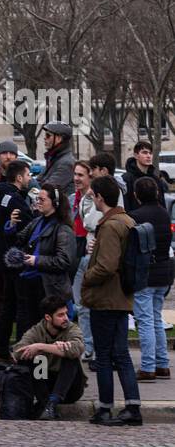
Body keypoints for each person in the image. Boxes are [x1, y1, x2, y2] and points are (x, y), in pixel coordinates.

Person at [80, 174, 142, 426]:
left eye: (93, 195)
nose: (91, 199)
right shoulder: (126, 220)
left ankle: (105, 408)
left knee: (104, 356)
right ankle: (132, 407)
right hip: (121, 297)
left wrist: (86, 277)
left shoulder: (110, 225)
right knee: (121, 354)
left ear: (100, 197)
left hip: (106, 298)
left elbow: (106, 266)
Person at [7, 182, 77, 341]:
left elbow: (64, 261)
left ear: (55, 203)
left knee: (46, 333)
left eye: (42, 199)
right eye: (37, 199)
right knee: (27, 328)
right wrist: (11, 226)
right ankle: (25, 361)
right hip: (30, 282)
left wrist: (36, 260)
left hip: (49, 288)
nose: (37, 202)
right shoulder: (37, 221)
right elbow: (18, 241)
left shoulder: (63, 229)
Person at [13, 289, 87, 421]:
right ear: (48, 317)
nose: (65, 318)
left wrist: (40, 346)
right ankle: (46, 403)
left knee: (71, 358)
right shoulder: (37, 330)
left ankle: (50, 404)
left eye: (66, 313)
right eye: (60, 315)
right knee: (34, 358)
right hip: (46, 386)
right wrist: (42, 349)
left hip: (70, 389)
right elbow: (17, 351)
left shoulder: (71, 328)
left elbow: (77, 348)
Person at [129, 174, 174, 381]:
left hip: (145, 273)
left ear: (137, 195)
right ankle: (162, 363)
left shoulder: (135, 216)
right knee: (156, 318)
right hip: (163, 271)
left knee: (145, 320)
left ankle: (148, 366)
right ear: (156, 192)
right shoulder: (164, 214)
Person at [0, 159, 34, 363]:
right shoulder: (16, 200)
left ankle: (1, 350)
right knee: (23, 307)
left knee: (8, 306)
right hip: (17, 259)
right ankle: (21, 351)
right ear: (19, 177)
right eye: (28, 175)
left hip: (3, 258)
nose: (30, 179)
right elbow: (28, 227)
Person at [71, 161, 101, 370]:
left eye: (81, 175)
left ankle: (95, 348)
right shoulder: (74, 199)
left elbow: (93, 224)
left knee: (92, 306)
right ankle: (87, 347)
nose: (76, 178)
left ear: (90, 177)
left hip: (90, 255)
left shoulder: (94, 198)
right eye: (75, 174)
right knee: (80, 306)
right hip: (77, 254)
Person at [124, 141, 166, 211]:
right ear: (136, 155)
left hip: (154, 220)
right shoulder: (126, 179)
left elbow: (162, 205)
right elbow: (126, 205)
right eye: (144, 152)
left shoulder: (156, 180)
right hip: (134, 220)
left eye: (150, 153)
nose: (149, 156)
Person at [37, 124, 76, 192]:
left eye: (48, 135)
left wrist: (25, 179)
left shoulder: (66, 163)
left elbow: (47, 189)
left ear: (59, 138)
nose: (44, 138)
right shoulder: (53, 158)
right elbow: (39, 180)